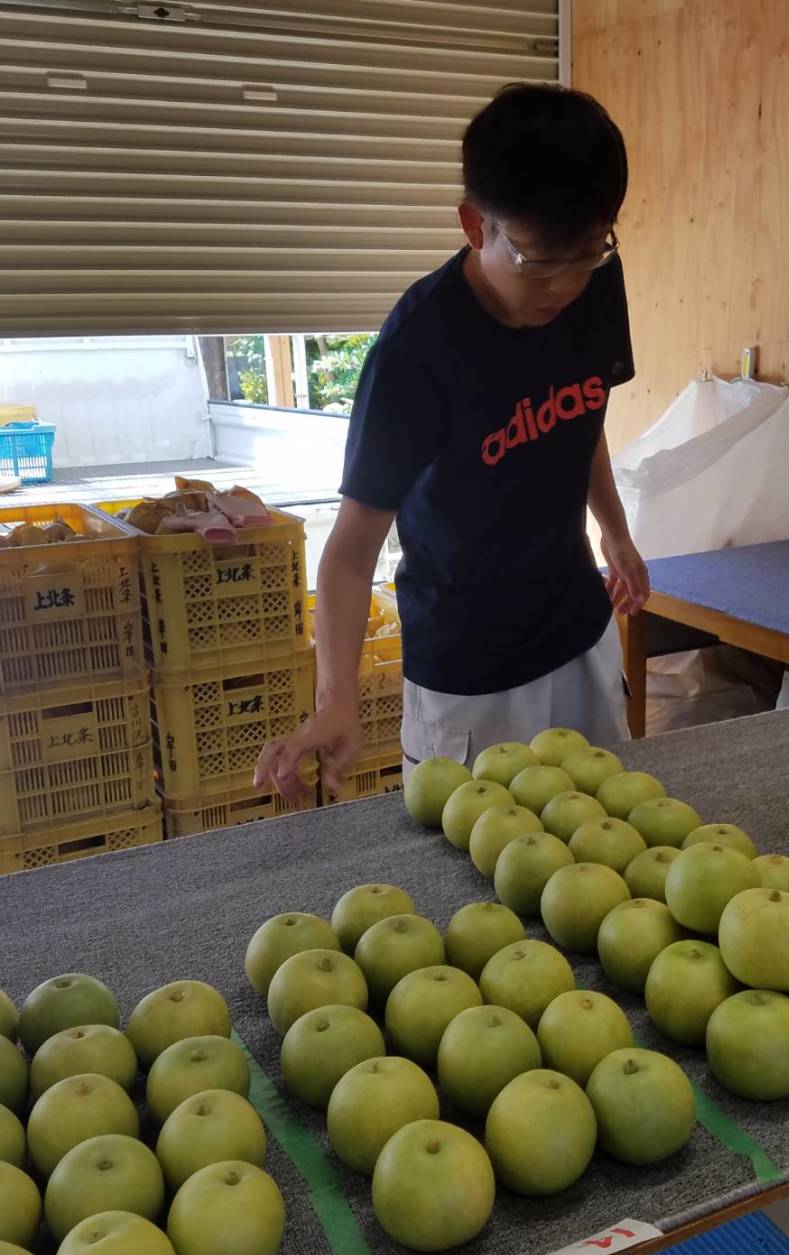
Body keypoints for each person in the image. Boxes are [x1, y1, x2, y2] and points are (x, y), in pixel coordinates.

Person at [255, 82, 649, 803]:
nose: (565, 284)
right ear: (476, 225)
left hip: (577, 631)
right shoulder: (418, 353)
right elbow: (347, 554)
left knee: (603, 851)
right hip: (469, 674)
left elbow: (577, 411)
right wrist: (335, 699)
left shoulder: (597, 276)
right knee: (474, 888)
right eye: (538, 260)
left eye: (586, 253)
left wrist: (614, 530)